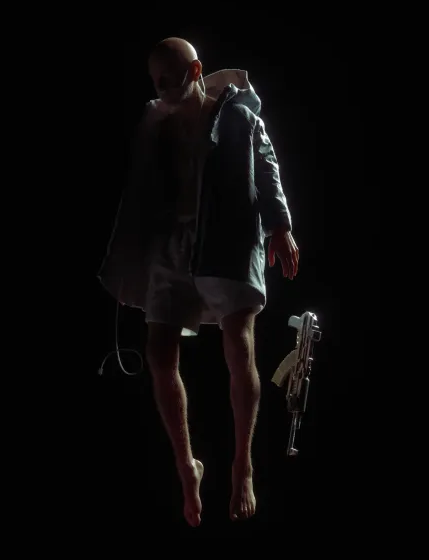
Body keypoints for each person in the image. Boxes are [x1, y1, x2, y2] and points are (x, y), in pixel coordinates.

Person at [98, 37, 299, 527]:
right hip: (172, 246)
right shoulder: (156, 123)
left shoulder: (237, 116)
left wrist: (280, 226)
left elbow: (267, 164)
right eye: (156, 82)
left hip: (228, 239)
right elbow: (139, 190)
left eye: (171, 79)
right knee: (158, 354)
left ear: (195, 72)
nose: (162, 89)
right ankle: (187, 463)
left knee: (239, 345)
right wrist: (132, 254)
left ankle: (242, 463)